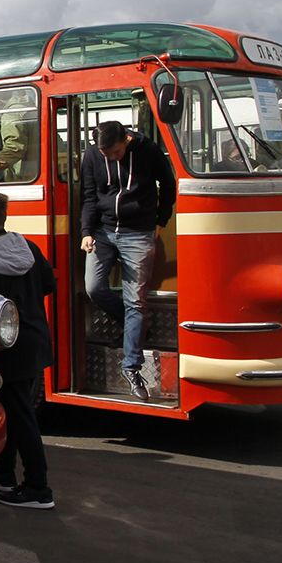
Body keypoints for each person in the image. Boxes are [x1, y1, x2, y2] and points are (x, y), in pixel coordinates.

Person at [81, 120, 176, 400]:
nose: (111, 157)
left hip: (139, 231)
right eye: (106, 153)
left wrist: (161, 220)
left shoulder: (147, 149)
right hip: (103, 230)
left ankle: (132, 366)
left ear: (127, 140)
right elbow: (89, 196)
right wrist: (86, 232)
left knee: (136, 299)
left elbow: (167, 182)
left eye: (116, 152)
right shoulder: (92, 155)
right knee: (94, 288)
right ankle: (136, 328)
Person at [0, 191, 57, 509]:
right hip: (36, 339)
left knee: (21, 417)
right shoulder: (29, 248)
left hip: (8, 346)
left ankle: (38, 487)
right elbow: (48, 286)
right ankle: (3, 472)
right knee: (11, 409)